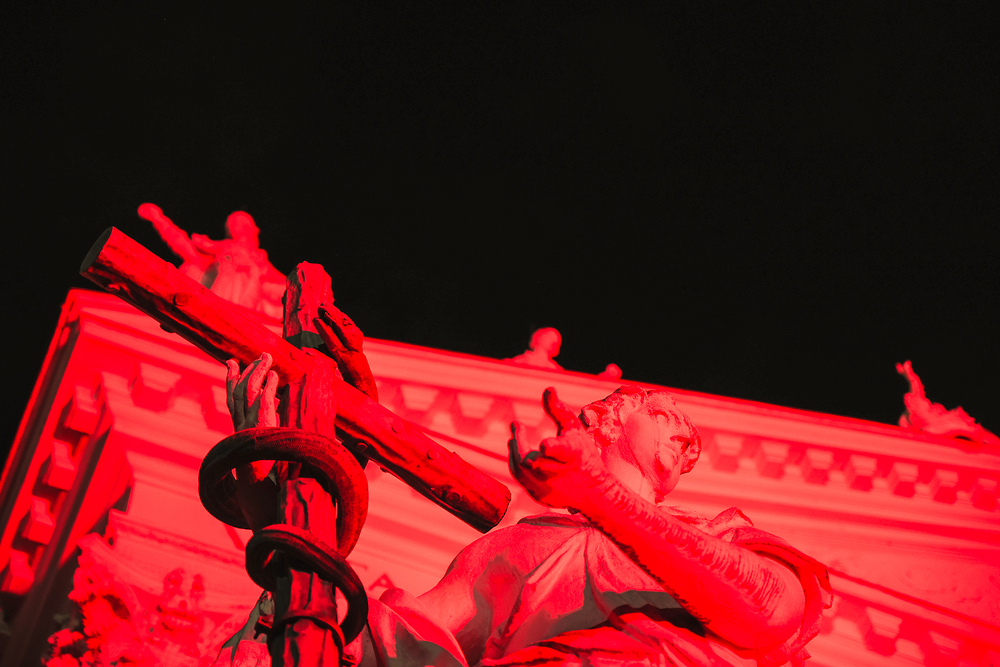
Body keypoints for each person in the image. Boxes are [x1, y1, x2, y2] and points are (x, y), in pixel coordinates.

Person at [218, 310, 830, 667]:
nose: (685, 433)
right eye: (663, 412)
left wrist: (598, 496)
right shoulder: (515, 549)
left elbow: (771, 613)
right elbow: (383, 645)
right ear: (602, 421)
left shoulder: (722, 536)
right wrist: (282, 522)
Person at [138, 203, 286, 319]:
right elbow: (184, 245)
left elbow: (282, 283)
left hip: (247, 312)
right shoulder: (223, 251)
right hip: (218, 302)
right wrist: (158, 219)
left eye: (241, 224)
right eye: (233, 225)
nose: (235, 228)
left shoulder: (260, 261)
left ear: (252, 229)